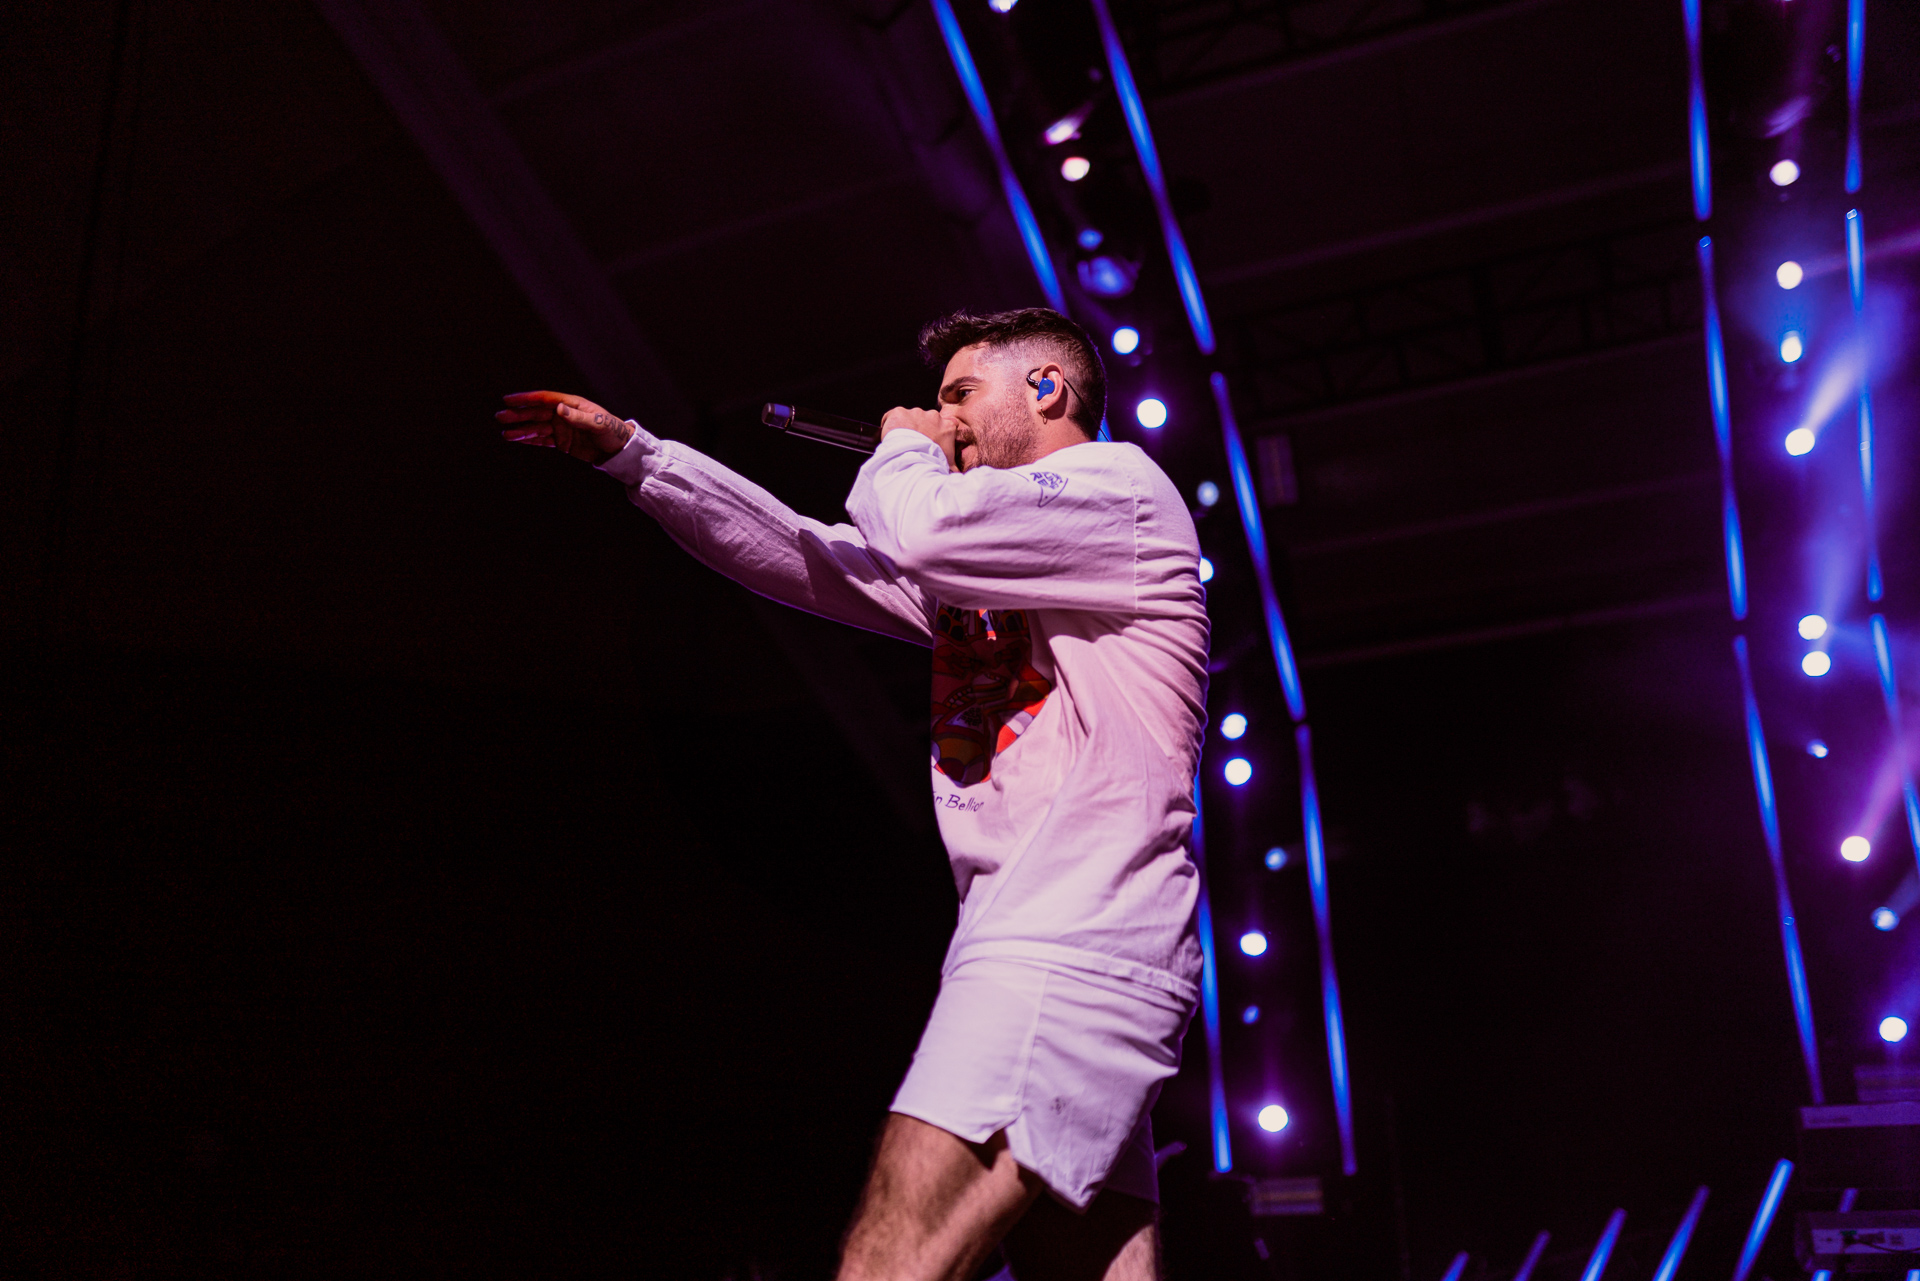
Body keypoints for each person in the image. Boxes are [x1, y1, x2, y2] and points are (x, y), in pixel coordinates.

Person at [498, 308, 1209, 1281]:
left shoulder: (1115, 488)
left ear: (1047, 389)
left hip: (1069, 936)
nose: (943, 415)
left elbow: (920, 530)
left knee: (888, 1265)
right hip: (1060, 940)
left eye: (962, 394)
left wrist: (905, 450)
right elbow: (808, 558)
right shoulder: (1006, 562)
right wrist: (640, 458)